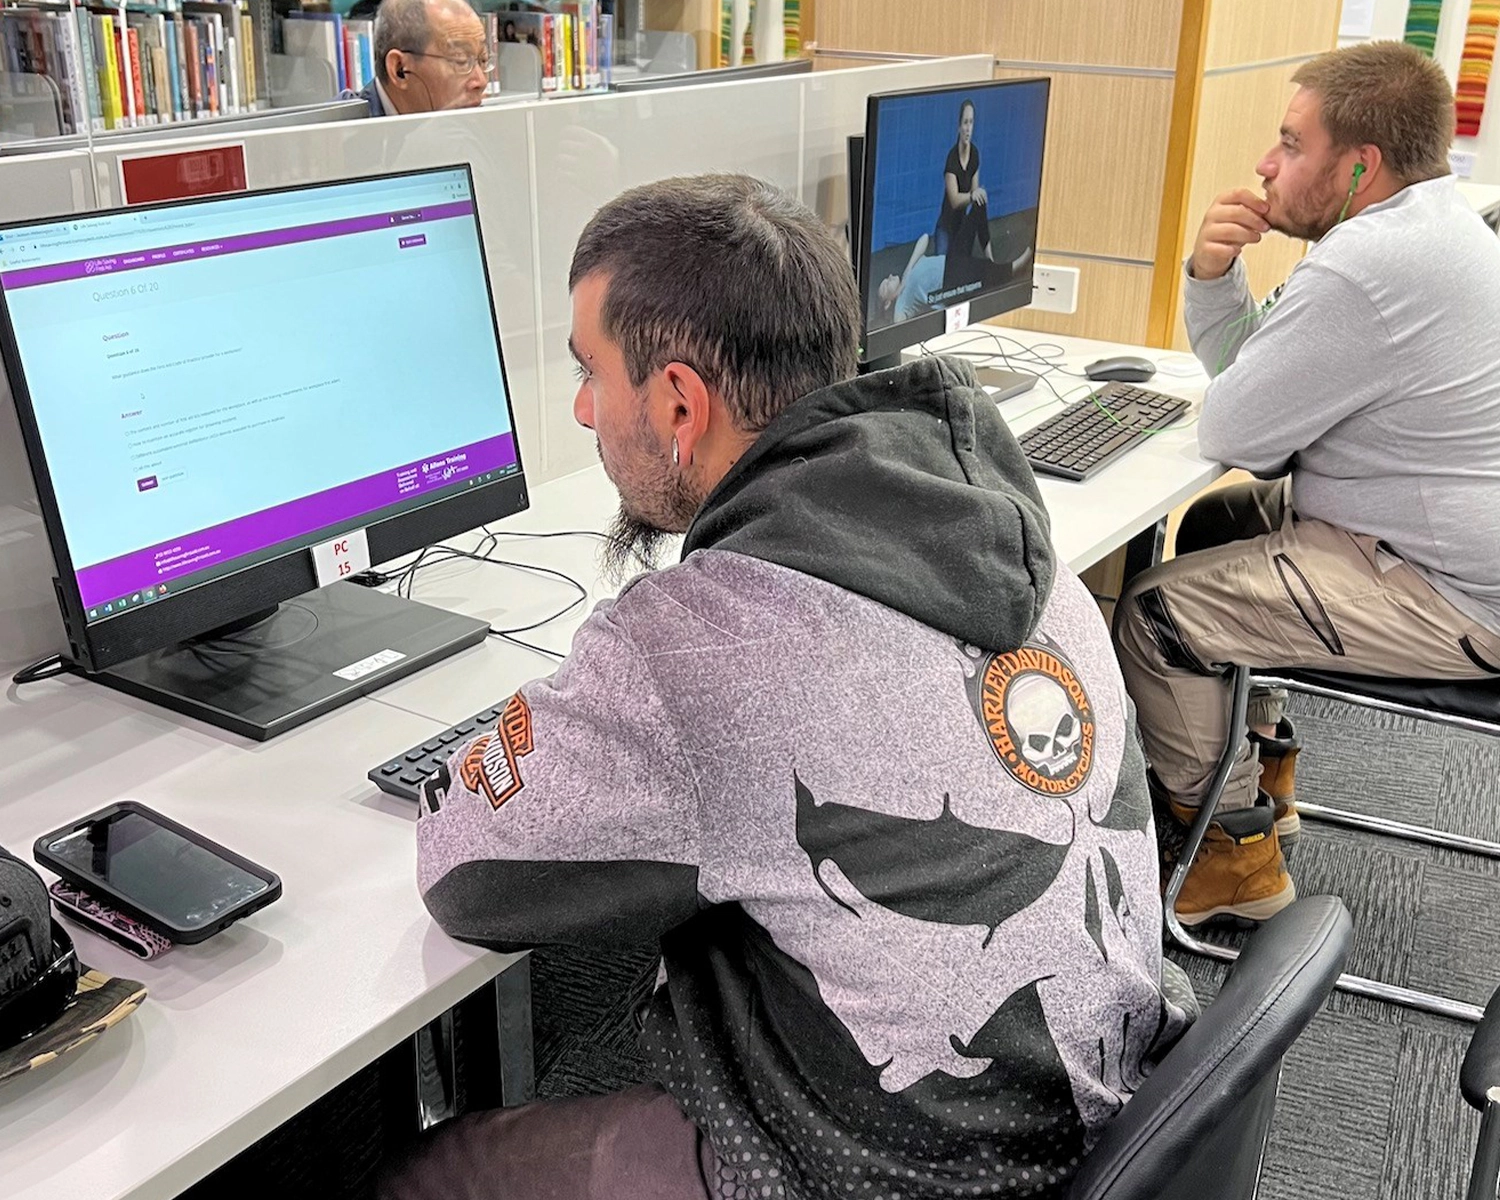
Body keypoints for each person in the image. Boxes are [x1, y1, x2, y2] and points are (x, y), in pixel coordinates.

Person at [383, 174, 1195, 1200]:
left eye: (592, 371)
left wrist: (573, 713)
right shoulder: (1016, 547)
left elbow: (466, 873)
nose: (583, 408)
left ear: (680, 402)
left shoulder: (697, 647)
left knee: (425, 1173)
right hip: (1104, 1120)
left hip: (889, 1175)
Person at [1113, 40, 1500, 928]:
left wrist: (1215, 292)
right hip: (1424, 537)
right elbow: (1263, 395)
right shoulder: (1427, 225)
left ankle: (1234, 857)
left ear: (1359, 166)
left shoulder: (1370, 264)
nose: (1264, 161)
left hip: (1453, 594)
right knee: (1216, 526)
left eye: (1291, 141)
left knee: (1156, 617)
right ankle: (1262, 775)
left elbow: (1240, 428)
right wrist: (1214, 277)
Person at [343, 0, 488, 117]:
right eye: (460, 60)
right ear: (399, 69)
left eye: (483, 59)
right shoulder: (334, 140)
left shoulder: (475, 132)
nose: (481, 82)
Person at [933, 99, 994, 262]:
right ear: (959, 126)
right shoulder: (952, 159)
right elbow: (954, 200)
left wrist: (977, 195)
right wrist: (973, 195)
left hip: (961, 229)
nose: (968, 128)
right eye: (965, 123)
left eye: (971, 123)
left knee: (980, 202)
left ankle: (991, 260)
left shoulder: (974, 154)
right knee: (941, 275)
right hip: (945, 230)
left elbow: (975, 199)